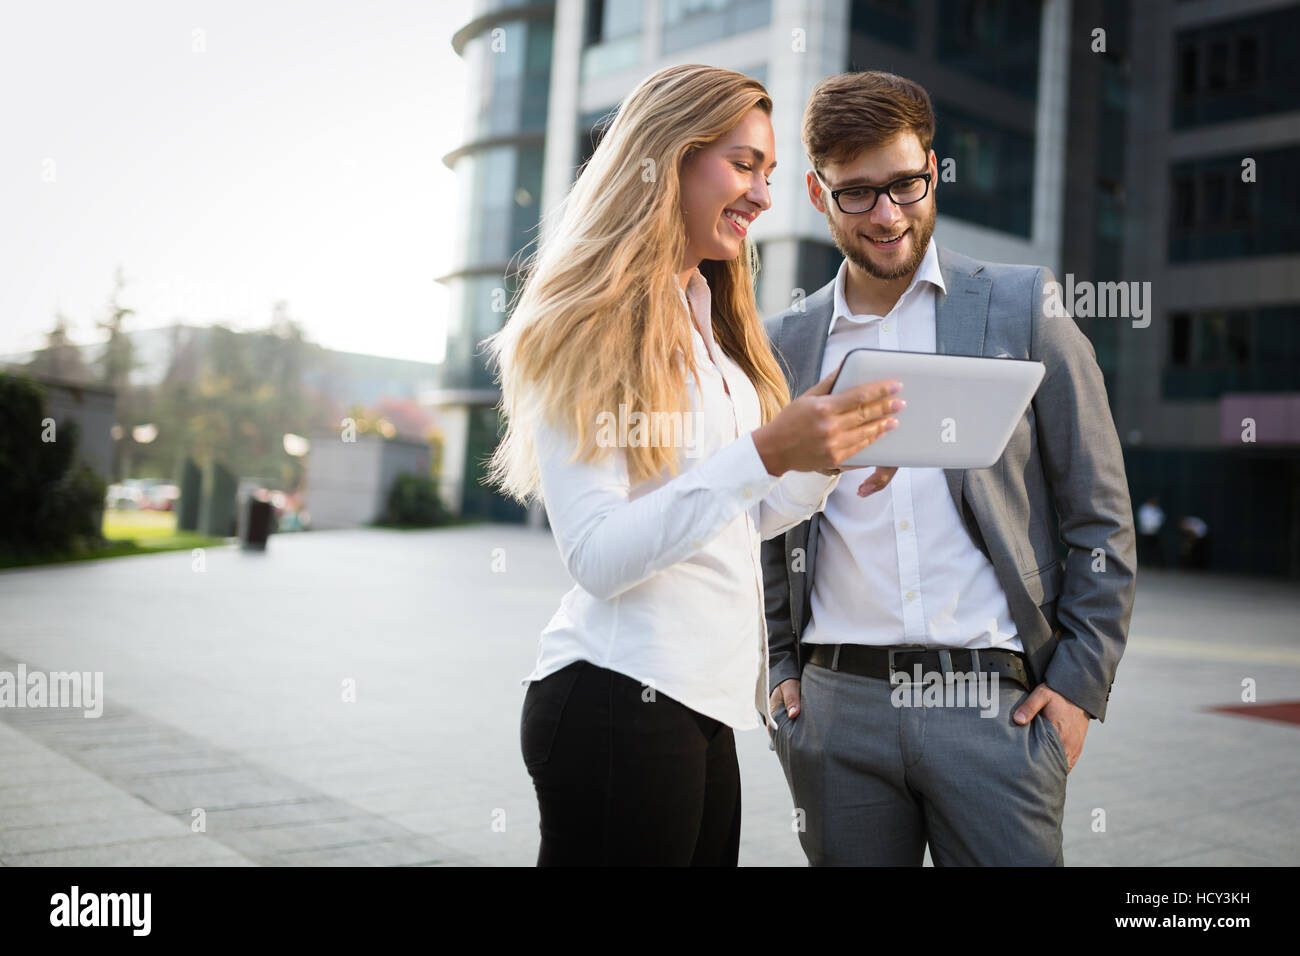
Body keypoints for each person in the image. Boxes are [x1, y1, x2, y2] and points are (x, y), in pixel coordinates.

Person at [483, 64, 905, 866]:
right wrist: (765, 451)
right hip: (616, 695)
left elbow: (736, 514)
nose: (762, 194)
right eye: (743, 164)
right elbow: (599, 558)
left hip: (702, 705)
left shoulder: (708, 322)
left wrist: (827, 465)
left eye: (769, 174)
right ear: (666, 156)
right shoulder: (586, 322)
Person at [762, 71, 1137, 866]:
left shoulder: (1021, 306)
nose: (889, 215)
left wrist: (1075, 690)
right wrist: (780, 669)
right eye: (857, 194)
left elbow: (1100, 515)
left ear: (933, 167)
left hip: (996, 713)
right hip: (839, 713)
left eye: (906, 184)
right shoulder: (785, 342)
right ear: (816, 191)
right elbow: (770, 515)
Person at [1137, 496, 1165, 567]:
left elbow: (1160, 519)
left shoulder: (1157, 510)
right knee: (1145, 549)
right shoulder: (1144, 509)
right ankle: (1146, 563)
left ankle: (1154, 563)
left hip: (1154, 533)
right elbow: (1143, 519)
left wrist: (1154, 527)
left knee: (1154, 549)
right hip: (1145, 533)